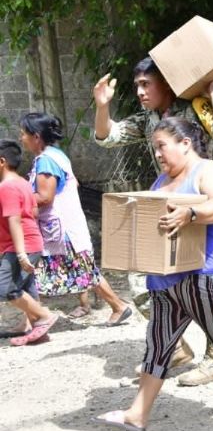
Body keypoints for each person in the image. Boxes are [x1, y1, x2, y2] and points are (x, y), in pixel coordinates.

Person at [91, 116, 213, 431]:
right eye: (155, 148)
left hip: (207, 274)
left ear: (185, 144)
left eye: (162, 146)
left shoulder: (210, 171)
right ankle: (137, 415)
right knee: (157, 346)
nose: (157, 154)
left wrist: (191, 214)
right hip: (166, 280)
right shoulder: (161, 181)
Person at [93, 57, 213, 386]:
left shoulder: (194, 107)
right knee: (141, 278)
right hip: (170, 201)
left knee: (206, 280)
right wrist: (102, 106)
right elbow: (108, 136)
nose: (140, 92)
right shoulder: (149, 119)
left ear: (167, 83)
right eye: (137, 86)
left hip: (202, 200)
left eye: (146, 84)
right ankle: (177, 349)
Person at [19, 112, 132, 325]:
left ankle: (118, 306)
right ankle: (30, 320)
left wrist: (17, 198)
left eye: (23, 133)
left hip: (62, 232)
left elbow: (45, 197)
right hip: (64, 228)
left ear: (36, 136)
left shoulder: (46, 161)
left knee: (81, 271)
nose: (21, 138)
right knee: (78, 271)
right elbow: (74, 183)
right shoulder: (57, 155)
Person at [0, 140, 59, 346]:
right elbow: (33, 213)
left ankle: (44, 316)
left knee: (5, 287)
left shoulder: (6, 187)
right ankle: (39, 330)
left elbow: (14, 220)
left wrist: (20, 253)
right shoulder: (23, 183)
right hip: (32, 242)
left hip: (20, 246)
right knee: (27, 286)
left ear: (2, 162)